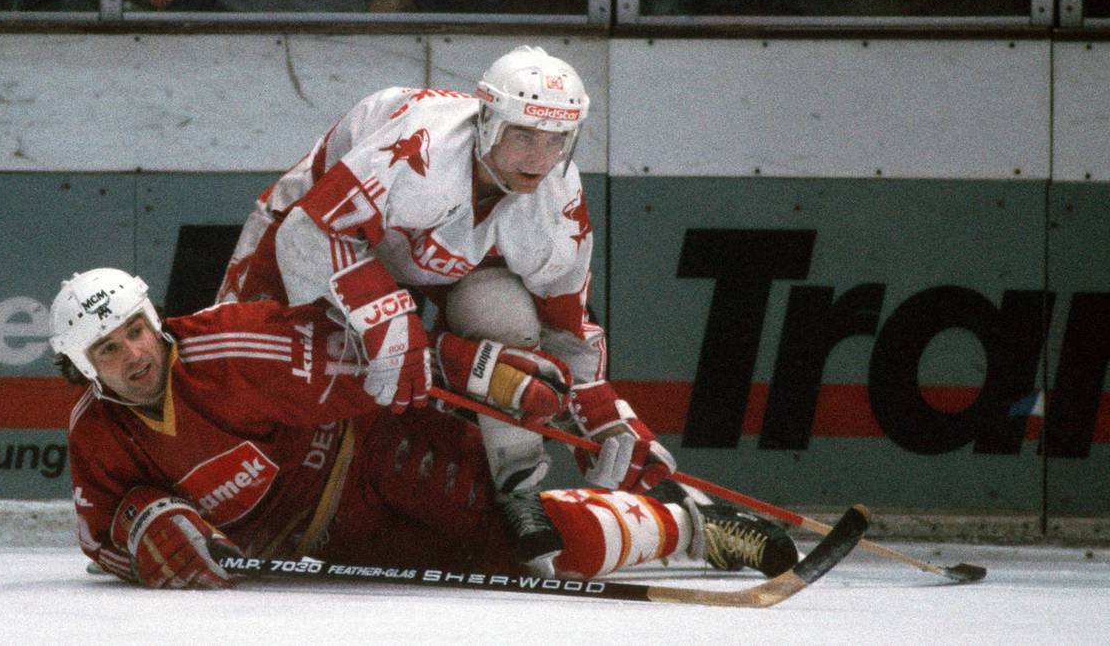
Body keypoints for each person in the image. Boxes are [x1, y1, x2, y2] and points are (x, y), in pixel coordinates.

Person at [50, 267, 797, 589]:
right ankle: (679, 528)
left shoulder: (233, 349)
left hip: (377, 454)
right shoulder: (95, 434)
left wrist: (475, 370)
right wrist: (144, 539)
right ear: (83, 368)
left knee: (533, 545)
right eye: (107, 350)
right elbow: (98, 542)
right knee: (517, 569)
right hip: (331, 548)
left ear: (155, 321)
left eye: (136, 331)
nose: (134, 355)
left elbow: (375, 361)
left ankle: (694, 528)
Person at [215, 44, 676, 496]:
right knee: (238, 369)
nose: (540, 159)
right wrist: (388, 320)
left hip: (429, 262)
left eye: (558, 139)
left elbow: (565, 318)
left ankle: (515, 486)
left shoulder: (558, 195)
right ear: (487, 122)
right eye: (524, 136)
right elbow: (308, 233)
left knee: (503, 314)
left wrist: (600, 407)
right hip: (313, 232)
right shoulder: (421, 148)